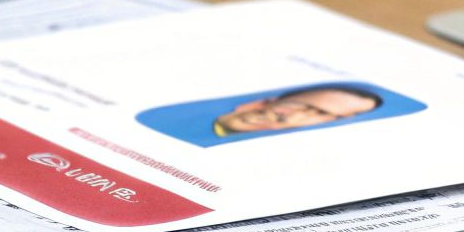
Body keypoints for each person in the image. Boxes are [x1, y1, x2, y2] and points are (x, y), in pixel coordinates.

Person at [136, 84, 395, 148]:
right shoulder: (160, 123)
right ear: (258, 102)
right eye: (300, 105)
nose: (292, 117)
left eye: (320, 115)